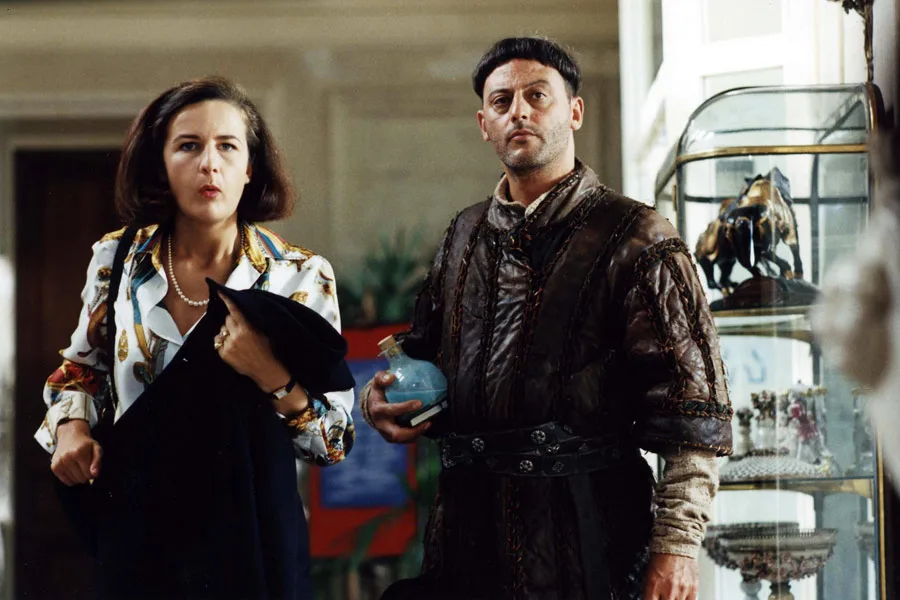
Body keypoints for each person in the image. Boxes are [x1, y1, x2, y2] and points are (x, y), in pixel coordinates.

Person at [360, 38, 732, 600]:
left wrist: (678, 545)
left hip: (592, 540)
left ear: (574, 111)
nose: (519, 111)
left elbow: (693, 408)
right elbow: (422, 357)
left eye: (537, 95)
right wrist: (379, 402)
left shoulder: (637, 236)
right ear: (484, 124)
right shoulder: (463, 235)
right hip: (466, 539)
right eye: (502, 101)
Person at [34, 76, 354, 599]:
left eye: (227, 146)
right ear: (161, 163)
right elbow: (80, 371)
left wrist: (269, 373)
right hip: (141, 535)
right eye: (188, 146)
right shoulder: (117, 260)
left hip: (255, 543)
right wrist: (70, 427)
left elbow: (334, 441)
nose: (210, 164)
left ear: (250, 168)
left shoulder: (298, 275)